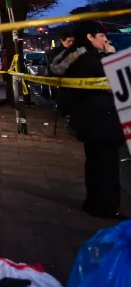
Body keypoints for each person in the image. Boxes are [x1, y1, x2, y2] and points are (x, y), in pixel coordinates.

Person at [49, 20, 122, 219]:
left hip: (90, 119)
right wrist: (110, 55)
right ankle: (105, 208)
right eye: (101, 36)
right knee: (106, 167)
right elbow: (118, 82)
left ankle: (94, 203)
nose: (105, 39)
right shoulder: (91, 59)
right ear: (89, 37)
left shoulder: (77, 57)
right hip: (103, 119)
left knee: (96, 164)